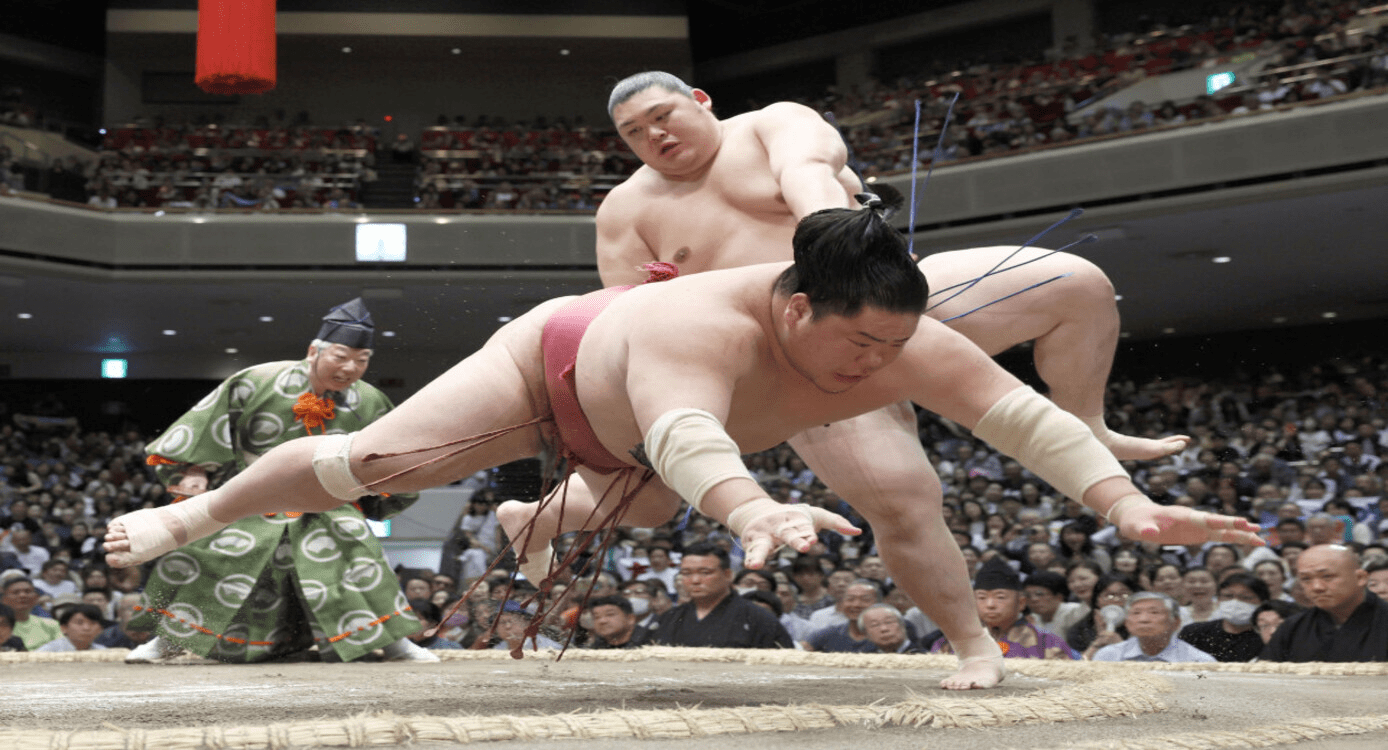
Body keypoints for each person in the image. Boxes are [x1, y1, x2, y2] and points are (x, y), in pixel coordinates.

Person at [105, 206, 1260, 688]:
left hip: (645, 457)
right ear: (797, 307)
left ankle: (968, 642)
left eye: (895, 345)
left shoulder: (891, 339)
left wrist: (1123, 509)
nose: (879, 369)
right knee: (375, 469)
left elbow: (1020, 419)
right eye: (859, 344)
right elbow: (682, 429)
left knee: (671, 508)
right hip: (555, 367)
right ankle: (188, 519)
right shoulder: (702, 324)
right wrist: (754, 513)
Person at [499, 69, 1189, 684]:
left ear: (700, 101)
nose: (653, 135)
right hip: (782, 356)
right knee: (901, 500)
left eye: (662, 116)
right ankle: (974, 643)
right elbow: (631, 313)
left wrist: (831, 236)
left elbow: (809, 170)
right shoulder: (625, 209)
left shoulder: (773, 124)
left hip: (875, 292)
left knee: (1076, 285)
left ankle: (1089, 422)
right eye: (634, 132)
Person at [124, 299, 435, 664]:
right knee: (207, 551)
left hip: (328, 500)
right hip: (250, 495)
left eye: (362, 359)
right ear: (313, 351)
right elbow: (206, 423)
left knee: (357, 550)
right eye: (341, 356)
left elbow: (388, 455)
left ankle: (395, 644)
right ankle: (168, 642)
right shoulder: (257, 380)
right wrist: (194, 470)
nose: (351, 367)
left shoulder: (370, 400)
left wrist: (381, 486)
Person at [646, 543, 793, 649]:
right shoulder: (669, 618)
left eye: (705, 572)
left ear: (728, 575)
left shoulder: (759, 618)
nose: (695, 580)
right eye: (686, 573)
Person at [1261, 544, 1388, 662]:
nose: (1316, 587)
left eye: (1327, 577)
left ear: (1360, 578)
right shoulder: (1292, 628)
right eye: (1306, 579)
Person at [934, 557, 1077, 659]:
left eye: (1000, 597)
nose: (990, 604)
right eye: (982, 598)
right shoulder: (952, 642)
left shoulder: (1047, 642)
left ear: (1020, 603)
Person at [1091, 593, 1216, 663]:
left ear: (1175, 622)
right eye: (1136, 613)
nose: (1144, 619)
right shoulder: (1107, 656)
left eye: (1154, 613)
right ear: (1127, 623)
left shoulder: (1198, 661)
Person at [1177, 572, 1268, 662]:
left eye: (1245, 597)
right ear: (1218, 599)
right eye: (1228, 596)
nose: (1235, 602)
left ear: (1262, 603)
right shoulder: (1194, 633)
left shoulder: (1268, 637)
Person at [804, 579, 881, 652]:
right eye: (850, 599)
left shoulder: (887, 634)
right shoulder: (827, 634)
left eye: (865, 600)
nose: (856, 605)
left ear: (878, 604)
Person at [1, 576, 59, 650]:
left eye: (27, 592)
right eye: (16, 592)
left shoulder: (52, 625)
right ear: (4, 599)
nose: (22, 595)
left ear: (36, 598)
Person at [1024, 570, 1088, 637]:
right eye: (1027, 596)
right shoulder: (1031, 619)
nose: (1033, 599)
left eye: (1040, 594)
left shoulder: (1075, 612)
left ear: (1059, 597)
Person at [35, 602, 108, 652]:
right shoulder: (49, 651)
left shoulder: (103, 651)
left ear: (100, 629)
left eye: (92, 623)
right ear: (64, 628)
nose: (86, 628)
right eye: (79, 623)